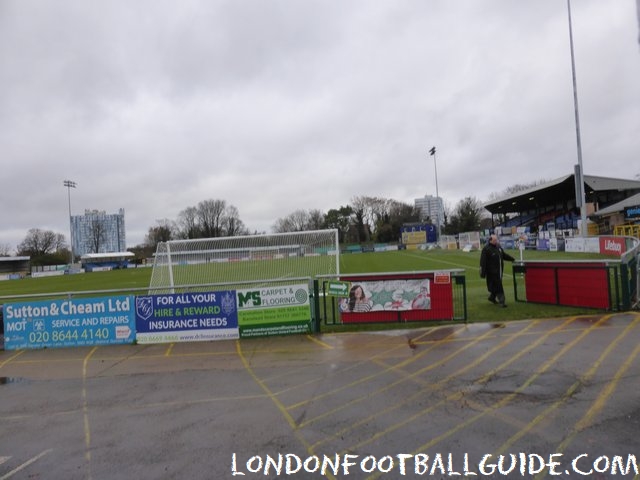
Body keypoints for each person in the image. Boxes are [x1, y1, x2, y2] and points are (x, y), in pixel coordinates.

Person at [480, 234, 515, 307]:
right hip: (491, 272)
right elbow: (483, 261)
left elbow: (504, 255)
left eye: (496, 240)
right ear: (490, 240)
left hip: (499, 271)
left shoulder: (498, 247)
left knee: (495, 286)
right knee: (499, 286)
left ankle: (492, 297)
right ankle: (502, 301)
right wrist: (482, 273)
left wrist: (512, 259)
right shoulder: (486, 249)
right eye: (494, 240)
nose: (496, 241)